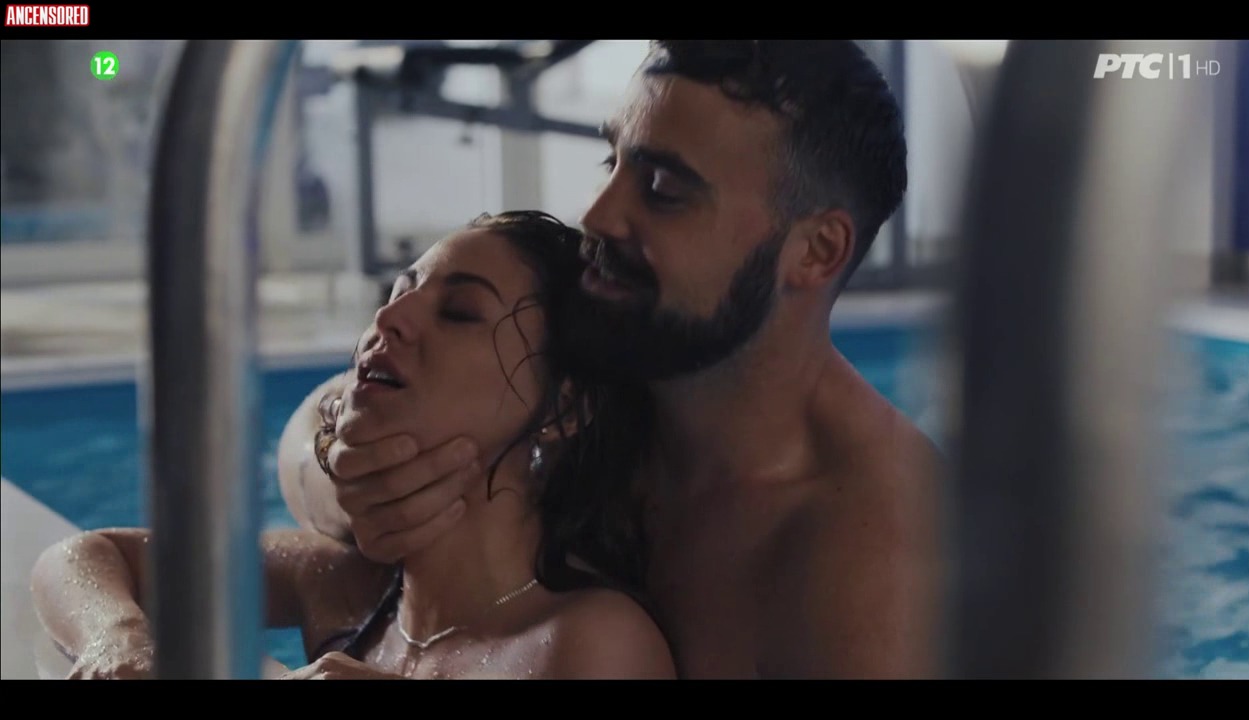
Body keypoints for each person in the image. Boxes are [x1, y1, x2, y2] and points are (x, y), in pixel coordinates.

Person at [285, 40, 945, 679]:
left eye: (662, 188)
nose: (597, 215)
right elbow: (316, 419)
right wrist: (353, 481)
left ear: (816, 251)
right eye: (612, 162)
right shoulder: (626, 356)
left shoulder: (884, 570)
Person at [30, 211, 676, 680]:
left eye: (458, 313)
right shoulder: (351, 587)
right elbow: (83, 557)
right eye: (399, 291)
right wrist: (120, 639)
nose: (390, 319)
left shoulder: (591, 641)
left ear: (563, 408)